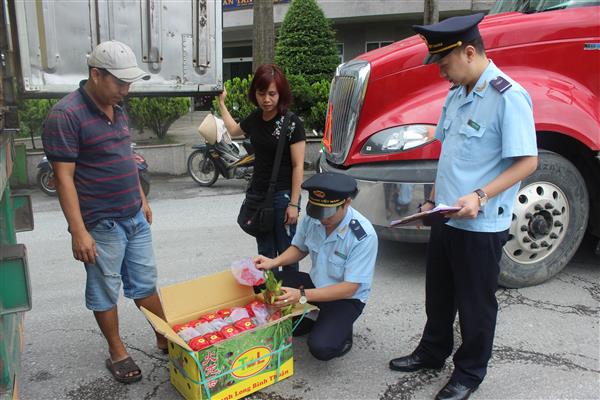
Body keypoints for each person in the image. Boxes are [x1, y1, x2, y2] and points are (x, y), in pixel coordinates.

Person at [388, 14, 538, 400]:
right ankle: (432, 351)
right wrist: (433, 199)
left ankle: (469, 372)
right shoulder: (457, 94)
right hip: (446, 217)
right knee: (438, 295)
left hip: (481, 224)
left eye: (444, 63)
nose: (441, 72)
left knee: (476, 305)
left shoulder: (508, 96)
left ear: (469, 52)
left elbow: (527, 162)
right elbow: (449, 155)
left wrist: (481, 196)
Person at [41, 40, 167, 384]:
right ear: (95, 74)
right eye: (120, 82)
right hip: (101, 222)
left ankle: (163, 336)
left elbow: (124, 156)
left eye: (129, 83)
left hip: (134, 216)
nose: (126, 90)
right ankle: (117, 352)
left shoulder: (117, 106)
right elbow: (63, 179)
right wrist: (78, 231)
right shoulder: (65, 115)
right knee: (104, 289)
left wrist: (141, 198)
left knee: (145, 283)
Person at [254, 172, 378, 360]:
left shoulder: (362, 235)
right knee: (266, 284)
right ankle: (316, 317)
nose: (322, 219)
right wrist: (273, 262)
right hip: (316, 284)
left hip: (345, 298)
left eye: (327, 213)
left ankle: (342, 331)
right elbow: (299, 248)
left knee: (322, 348)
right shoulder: (315, 218)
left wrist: (301, 295)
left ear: (346, 203)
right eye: (317, 210)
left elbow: (350, 288)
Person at [218, 64, 306, 271]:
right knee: (265, 253)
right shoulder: (255, 118)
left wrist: (294, 204)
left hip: (283, 196)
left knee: (287, 253)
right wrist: (221, 102)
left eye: (272, 94)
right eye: (261, 93)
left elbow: (298, 165)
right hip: (259, 195)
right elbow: (232, 130)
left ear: (280, 94)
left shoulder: (292, 123)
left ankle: (289, 298)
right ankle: (271, 298)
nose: (266, 99)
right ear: (254, 93)